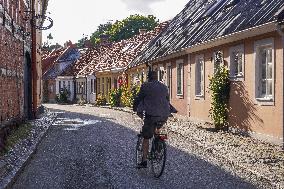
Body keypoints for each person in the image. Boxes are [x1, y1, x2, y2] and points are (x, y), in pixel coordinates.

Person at [133, 70, 171, 168]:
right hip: (164, 114)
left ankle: (144, 161)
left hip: (151, 115)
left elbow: (139, 98)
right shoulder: (164, 87)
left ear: (148, 78)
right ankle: (158, 143)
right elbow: (167, 100)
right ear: (156, 78)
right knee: (157, 127)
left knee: (146, 137)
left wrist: (135, 107)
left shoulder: (145, 86)